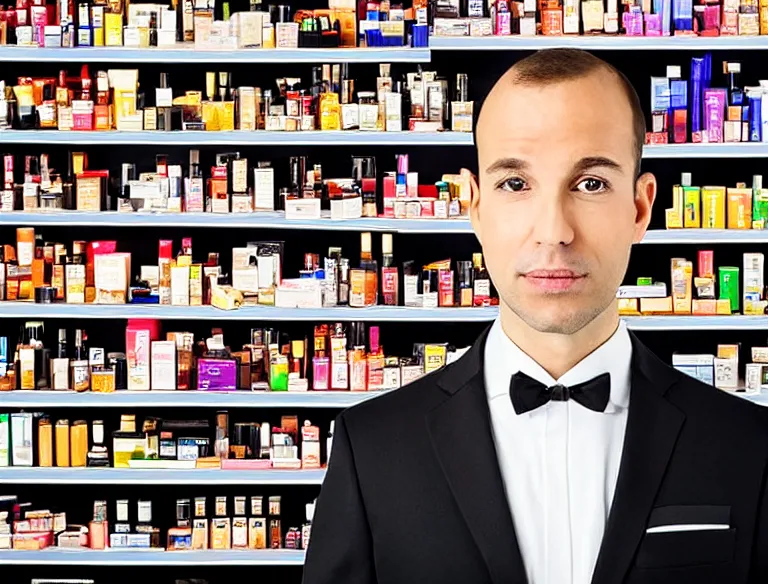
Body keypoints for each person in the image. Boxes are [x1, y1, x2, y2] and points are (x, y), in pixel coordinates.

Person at [302, 48, 768, 584]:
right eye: (516, 184)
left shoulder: (748, 446)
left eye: (590, 183)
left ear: (640, 208)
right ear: (475, 206)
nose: (554, 231)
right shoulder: (372, 449)